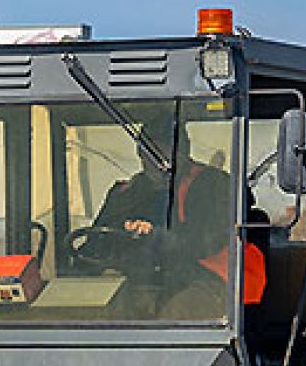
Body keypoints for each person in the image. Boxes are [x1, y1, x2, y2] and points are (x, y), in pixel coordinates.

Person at [86, 123, 264, 306]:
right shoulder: (124, 193)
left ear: (184, 152)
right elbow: (94, 245)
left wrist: (154, 234)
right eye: (149, 152)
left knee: (176, 311)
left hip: (208, 283)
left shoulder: (211, 184)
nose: (158, 162)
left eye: (164, 153)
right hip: (138, 282)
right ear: (139, 153)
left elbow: (204, 244)